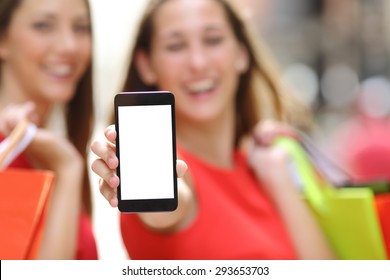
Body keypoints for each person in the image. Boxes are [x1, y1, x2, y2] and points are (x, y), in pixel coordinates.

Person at [91, 0, 334, 260]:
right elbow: (168, 205)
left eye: (213, 40)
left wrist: (279, 180)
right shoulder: (174, 174)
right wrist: (150, 182)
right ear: (146, 64)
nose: (198, 63)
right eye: (175, 46)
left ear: (242, 54)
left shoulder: (269, 163)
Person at [0, 0, 97, 259]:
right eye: (43, 25)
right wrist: (67, 169)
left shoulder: (49, 149)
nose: (69, 46)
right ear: (3, 39)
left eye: (81, 27)